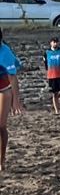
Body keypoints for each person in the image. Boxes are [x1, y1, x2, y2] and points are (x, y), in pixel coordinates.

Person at [0, 28, 24, 172]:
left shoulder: (5, 52)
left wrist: (16, 102)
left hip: (3, 89)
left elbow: (13, 78)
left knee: (0, 126)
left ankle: (1, 160)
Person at [42, 37, 60, 114]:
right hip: (52, 76)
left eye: (56, 42)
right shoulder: (47, 53)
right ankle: (57, 111)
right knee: (54, 93)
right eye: (54, 42)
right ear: (50, 43)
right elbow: (46, 64)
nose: (55, 43)